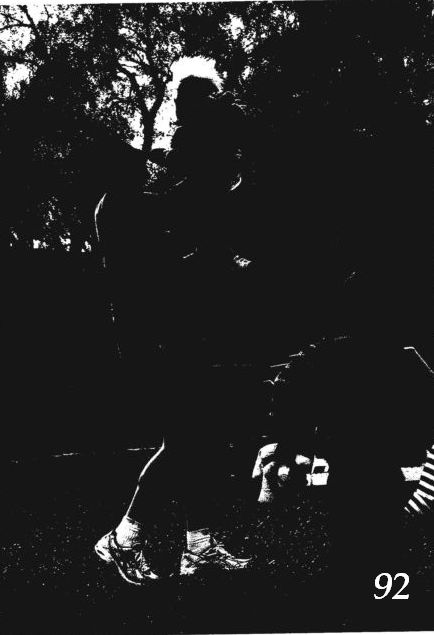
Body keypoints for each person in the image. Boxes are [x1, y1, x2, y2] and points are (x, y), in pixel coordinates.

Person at [93, 73, 255, 585]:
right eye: (135, 164)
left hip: (168, 332)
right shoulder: (126, 209)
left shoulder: (135, 201)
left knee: (196, 439)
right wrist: (221, 254)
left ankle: (198, 545)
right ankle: (125, 537)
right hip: (154, 338)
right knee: (186, 441)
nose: (146, 165)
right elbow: (172, 253)